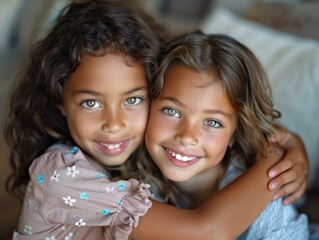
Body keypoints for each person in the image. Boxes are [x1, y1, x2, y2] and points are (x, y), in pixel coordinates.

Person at [4, 1, 308, 239]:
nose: (115, 124)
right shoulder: (62, 174)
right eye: (91, 102)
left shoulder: (143, 158)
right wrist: (272, 160)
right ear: (61, 102)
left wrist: (289, 144)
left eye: (133, 100)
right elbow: (206, 232)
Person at [142, 31, 312, 239]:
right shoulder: (135, 184)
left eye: (212, 122)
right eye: (172, 111)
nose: (187, 136)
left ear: (235, 134)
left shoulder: (268, 202)